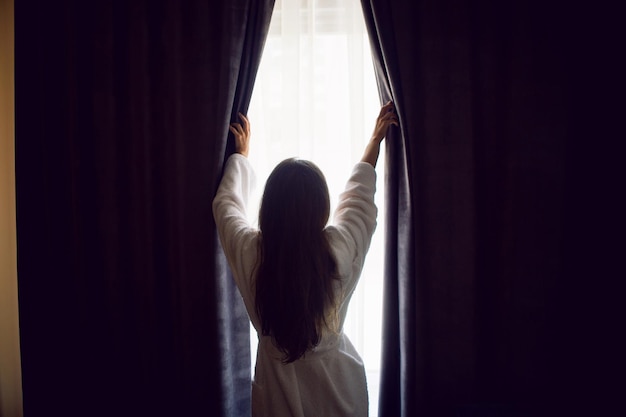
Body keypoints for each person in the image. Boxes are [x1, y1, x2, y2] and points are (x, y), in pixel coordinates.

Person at [213, 102, 398, 416]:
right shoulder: (339, 247)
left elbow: (226, 206)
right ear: (321, 208)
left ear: (268, 207)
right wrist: (374, 142)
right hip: (340, 394)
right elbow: (358, 199)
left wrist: (240, 157)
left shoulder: (252, 252)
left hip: (276, 397)